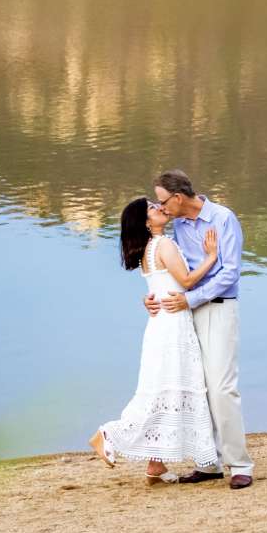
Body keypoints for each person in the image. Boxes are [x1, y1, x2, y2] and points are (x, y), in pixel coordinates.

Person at [91, 198, 221, 482]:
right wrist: (211, 256)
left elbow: (161, 286)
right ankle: (110, 433)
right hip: (172, 325)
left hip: (160, 325)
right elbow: (186, 282)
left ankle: (156, 463)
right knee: (167, 389)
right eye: (152, 208)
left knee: (163, 390)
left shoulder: (148, 250)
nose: (160, 208)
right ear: (146, 222)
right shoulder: (163, 245)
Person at [145, 169, 252, 488]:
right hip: (183, 312)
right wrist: (153, 297)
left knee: (221, 387)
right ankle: (208, 463)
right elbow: (176, 272)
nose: (161, 208)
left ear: (178, 198)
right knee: (196, 386)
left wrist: (191, 298)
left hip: (217, 308)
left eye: (163, 202)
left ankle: (240, 464)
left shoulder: (222, 218)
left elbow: (230, 272)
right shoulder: (177, 226)